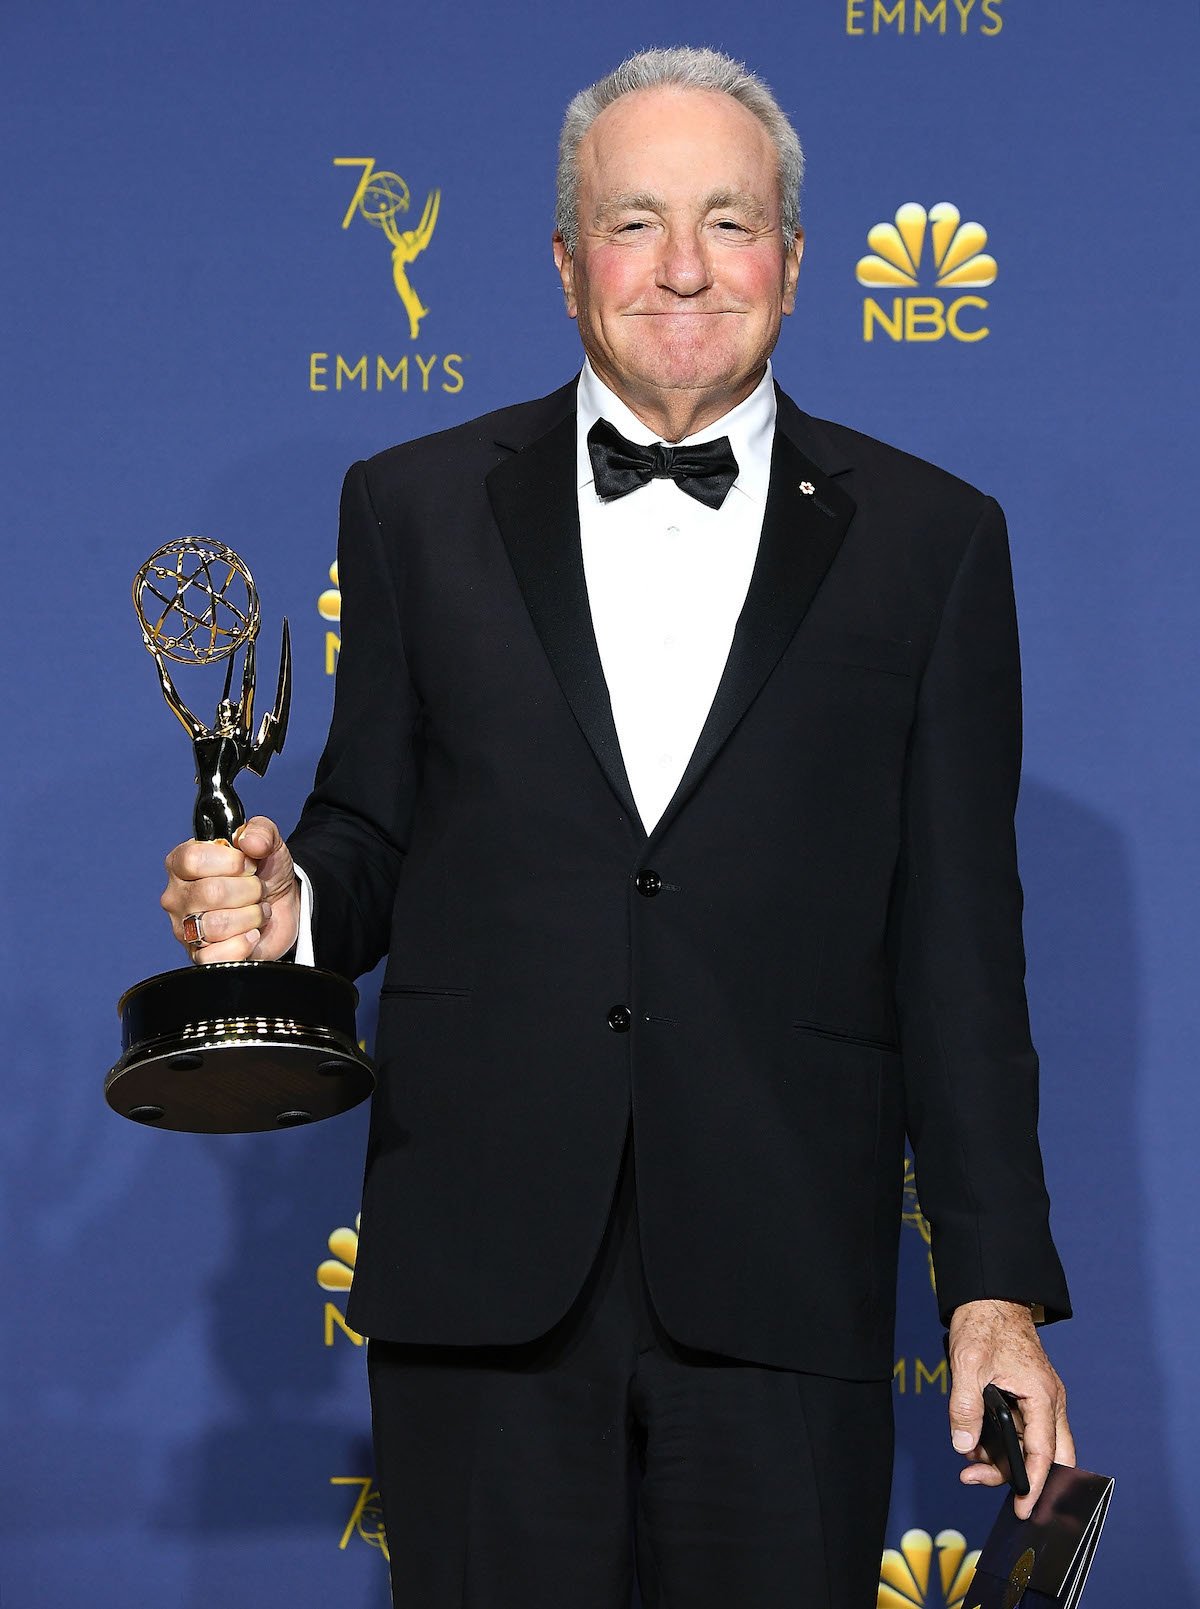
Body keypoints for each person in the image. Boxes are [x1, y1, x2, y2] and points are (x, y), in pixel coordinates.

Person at [161, 46, 1074, 1609]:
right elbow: (369, 832)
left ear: (792, 256)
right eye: (635, 220)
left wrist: (992, 1286)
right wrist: (285, 905)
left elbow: (963, 957)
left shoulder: (935, 542)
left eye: (730, 219)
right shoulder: (411, 505)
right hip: (482, 1277)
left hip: (786, 1275)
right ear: (566, 258)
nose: (684, 267)